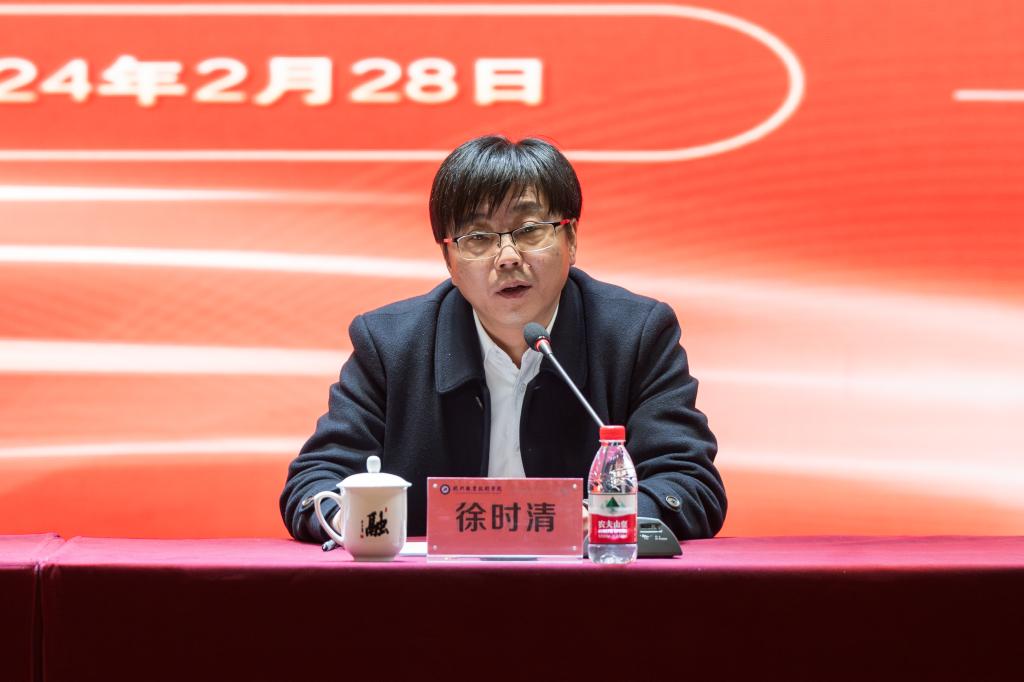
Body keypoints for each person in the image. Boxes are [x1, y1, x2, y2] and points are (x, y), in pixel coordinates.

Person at [280, 135, 726, 542]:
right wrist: (354, 521)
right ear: (450, 261)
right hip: (429, 593)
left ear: (570, 239)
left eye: (530, 230)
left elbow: (689, 483)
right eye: (478, 238)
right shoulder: (390, 344)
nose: (508, 257)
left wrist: (603, 520)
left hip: (588, 590)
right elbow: (314, 482)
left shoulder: (636, 335)